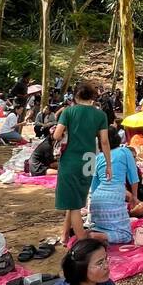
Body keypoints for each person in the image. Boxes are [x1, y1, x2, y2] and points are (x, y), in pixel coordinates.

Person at [53, 81, 112, 242]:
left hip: (71, 160)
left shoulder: (68, 112)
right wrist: (108, 165)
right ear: (92, 96)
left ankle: (83, 243)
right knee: (77, 198)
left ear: (75, 95)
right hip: (89, 159)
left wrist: (63, 132)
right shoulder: (100, 115)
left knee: (74, 206)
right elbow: (104, 141)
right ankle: (65, 235)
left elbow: (57, 136)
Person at [86, 129, 141, 245]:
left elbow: (93, 186)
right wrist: (135, 197)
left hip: (97, 200)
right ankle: (96, 235)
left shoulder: (97, 158)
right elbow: (134, 177)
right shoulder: (125, 152)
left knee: (102, 226)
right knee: (126, 236)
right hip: (114, 198)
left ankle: (97, 233)